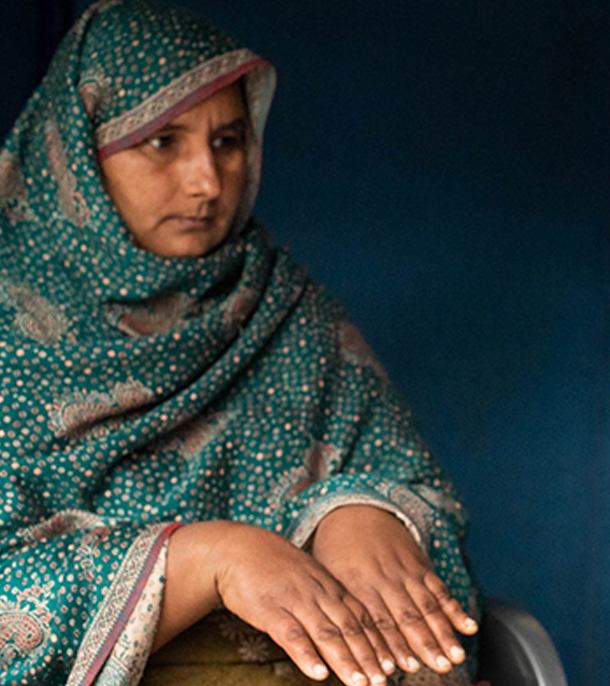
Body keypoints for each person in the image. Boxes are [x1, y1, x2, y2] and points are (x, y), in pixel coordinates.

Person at [0, 1, 479, 684]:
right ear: (75, 155)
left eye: (227, 141)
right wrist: (206, 559)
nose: (206, 181)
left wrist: (366, 513)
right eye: (162, 141)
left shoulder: (280, 308)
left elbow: (416, 493)